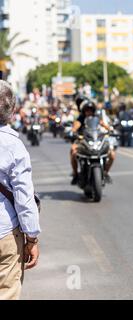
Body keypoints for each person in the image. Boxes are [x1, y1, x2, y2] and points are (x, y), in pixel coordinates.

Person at [0, 80, 41, 299]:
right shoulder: (14, 146)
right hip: (5, 234)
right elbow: (24, 199)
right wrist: (32, 239)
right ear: (12, 110)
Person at [70, 99, 115, 185]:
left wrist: (111, 130)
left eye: (90, 110)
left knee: (112, 154)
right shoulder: (80, 119)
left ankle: (105, 173)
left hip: (95, 141)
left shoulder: (97, 118)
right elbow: (75, 127)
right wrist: (72, 132)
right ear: (84, 111)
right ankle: (75, 174)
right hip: (82, 141)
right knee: (73, 151)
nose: (89, 112)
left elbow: (105, 126)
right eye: (87, 110)